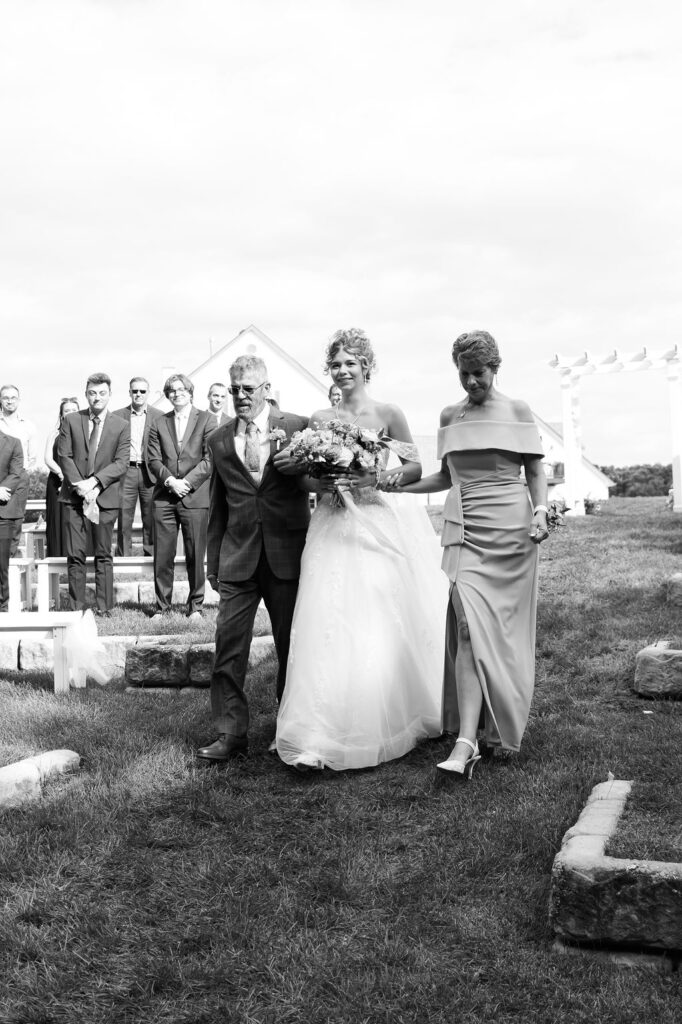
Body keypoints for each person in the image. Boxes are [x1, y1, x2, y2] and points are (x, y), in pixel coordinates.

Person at [274, 328, 445, 772]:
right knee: (325, 618)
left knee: (372, 615)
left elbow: (414, 466)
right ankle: (318, 729)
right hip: (331, 521)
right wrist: (322, 480)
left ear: (366, 366)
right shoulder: (318, 418)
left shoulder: (388, 413)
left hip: (372, 518)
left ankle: (379, 717)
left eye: (351, 363)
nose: (343, 370)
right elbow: (307, 479)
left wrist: (372, 479)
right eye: (336, 364)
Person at [400, 330, 549, 778]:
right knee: (466, 628)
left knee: (501, 634)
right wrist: (400, 484)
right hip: (465, 528)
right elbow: (446, 476)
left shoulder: (518, 410)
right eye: (464, 374)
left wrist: (540, 512)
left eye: (478, 374)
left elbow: (535, 471)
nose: (471, 383)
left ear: (494, 368)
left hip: (511, 530)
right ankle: (466, 742)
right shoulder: (450, 415)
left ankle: (499, 723)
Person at [197, 355, 310, 763]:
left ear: (266, 388)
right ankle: (230, 733)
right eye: (235, 389)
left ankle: (291, 728)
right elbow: (218, 506)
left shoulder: (298, 427)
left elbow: (309, 483)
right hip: (238, 556)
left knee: (290, 645)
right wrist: (214, 562)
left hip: (287, 554)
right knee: (228, 644)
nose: (241, 396)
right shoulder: (219, 439)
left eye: (248, 388)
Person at [58, 373, 130, 616]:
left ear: (109, 395)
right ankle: (76, 607)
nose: (97, 397)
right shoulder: (71, 420)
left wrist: (96, 483)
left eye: (102, 393)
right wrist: (80, 485)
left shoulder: (121, 426)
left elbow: (121, 463)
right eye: (92, 393)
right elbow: (64, 456)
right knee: (75, 554)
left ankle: (104, 607)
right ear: (86, 393)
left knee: (103, 554)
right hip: (74, 497)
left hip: (105, 497)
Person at [147, 373, 213, 621]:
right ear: (168, 395)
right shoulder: (158, 422)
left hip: (195, 496)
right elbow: (152, 459)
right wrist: (170, 481)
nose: (177, 393)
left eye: (181, 389)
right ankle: (162, 607)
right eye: (172, 390)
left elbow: (210, 458)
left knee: (195, 554)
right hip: (165, 496)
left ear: (190, 392)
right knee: (163, 554)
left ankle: (195, 606)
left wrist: (187, 482)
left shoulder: (207, 420)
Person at [114, 377, 164, 556]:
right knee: (123, 516)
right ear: (129, 393)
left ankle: (151, 556)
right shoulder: (118, 416)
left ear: (148, 393)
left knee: (150, 516)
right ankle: (123, 558)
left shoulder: (159, 416)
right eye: (135, 391)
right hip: (126, 471)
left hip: (149, 472)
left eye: (142, 391)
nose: (138, 394)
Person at [0, 384, 37, 555]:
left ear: (19, 400)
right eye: (5, 397)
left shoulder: (28, 426)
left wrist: (21, 475)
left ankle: (11, 569)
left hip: (19, 480)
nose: (9, 401)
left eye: (13, 397)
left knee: (14, 528)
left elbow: (32, 456)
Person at [44, 397, 80, 556]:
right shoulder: (54, 434)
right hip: (56, 483)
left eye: (74, 410)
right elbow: (47, 459)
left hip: (79, 484)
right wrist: (61, 474)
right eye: (67, 410)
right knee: (58, 520)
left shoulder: (86, 433)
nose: (71, 413)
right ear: (61, 415)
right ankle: (58, 556)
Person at [0, 432, 26, 612]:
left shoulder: (13, 442)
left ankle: (3, 607)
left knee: (2, 564)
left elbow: (16, 473)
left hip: (3, 512)